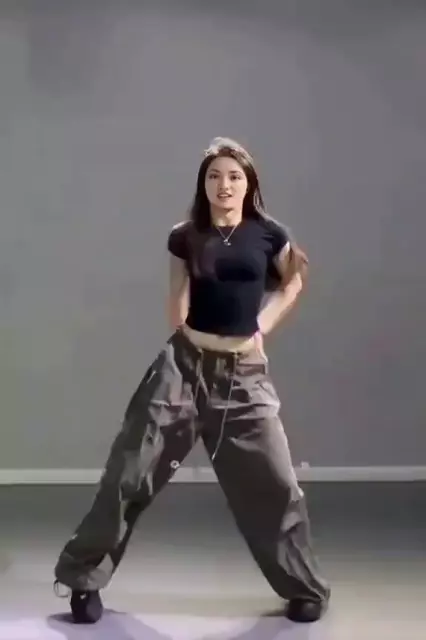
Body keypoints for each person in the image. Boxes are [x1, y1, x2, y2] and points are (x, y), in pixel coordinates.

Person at [53, 136, 330, 624]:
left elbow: (293, 281)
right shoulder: (185, 236)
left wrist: (260, 328)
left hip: (243, 376)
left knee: (276, 484)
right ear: (203, 185)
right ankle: (82, 579)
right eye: (214, 176)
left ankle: (303, 587)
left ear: (249, 184)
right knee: (130, 472)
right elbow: (177, 292)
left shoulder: (269, 234)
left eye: (234, 177)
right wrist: (183, 330)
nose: (224, 185)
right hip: (183, 367)